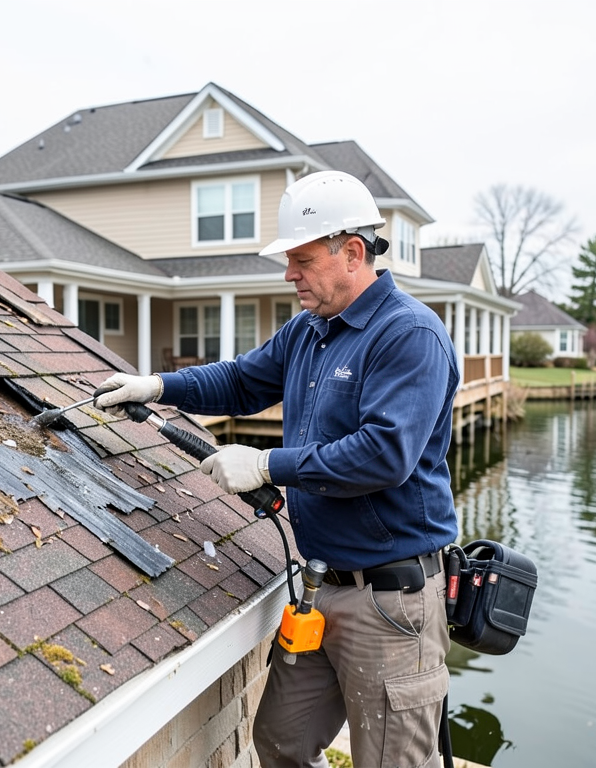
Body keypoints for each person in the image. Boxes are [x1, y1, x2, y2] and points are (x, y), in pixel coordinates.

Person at [96, 170, 459, 768]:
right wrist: (159, 384)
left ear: (352, 252)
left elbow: (385, 454)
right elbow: (241, 379)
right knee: (282, 741)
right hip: (320, 590)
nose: (289, 273)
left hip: (390, 601)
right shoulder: (309, 330)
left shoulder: (408, 334)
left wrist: (267, 463)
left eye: (301, 258)